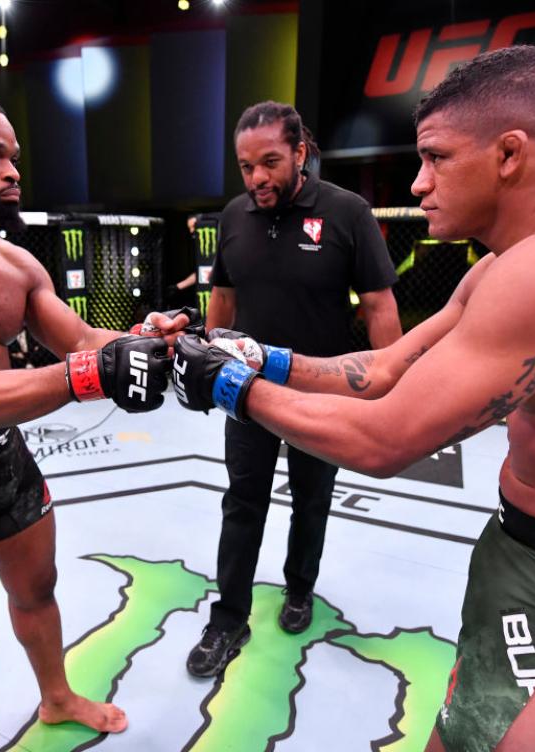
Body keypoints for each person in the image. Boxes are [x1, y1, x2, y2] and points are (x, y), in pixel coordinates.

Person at [172, 46, 535, 751]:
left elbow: (385, 439)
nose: (417, 183)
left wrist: (227, 385)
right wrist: (256, 356)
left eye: (436, 158)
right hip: (526, 548)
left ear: (509, 154)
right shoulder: (510, 266)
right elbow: (383, 369)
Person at [0, 89, 189, 752]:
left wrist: (153, 340)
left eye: (13, 157)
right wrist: (88, 378)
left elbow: (80, 342)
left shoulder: (16, 263)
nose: (13, 171)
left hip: (5, 454)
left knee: (38, 590)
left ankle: (56, 697)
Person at [184, 101, 401, 678]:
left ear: (300, 153)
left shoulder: (346, 212)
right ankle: (228, 617)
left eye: (270, 163)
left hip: (319, 393)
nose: (257, 179)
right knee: (242, 500)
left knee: (312, 498)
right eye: (246, 166)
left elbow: (380, 306)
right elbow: (224, 298)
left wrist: (391, 384)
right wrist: (207, 359)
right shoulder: (233, 216)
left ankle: (299, 588)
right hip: (245, 391)